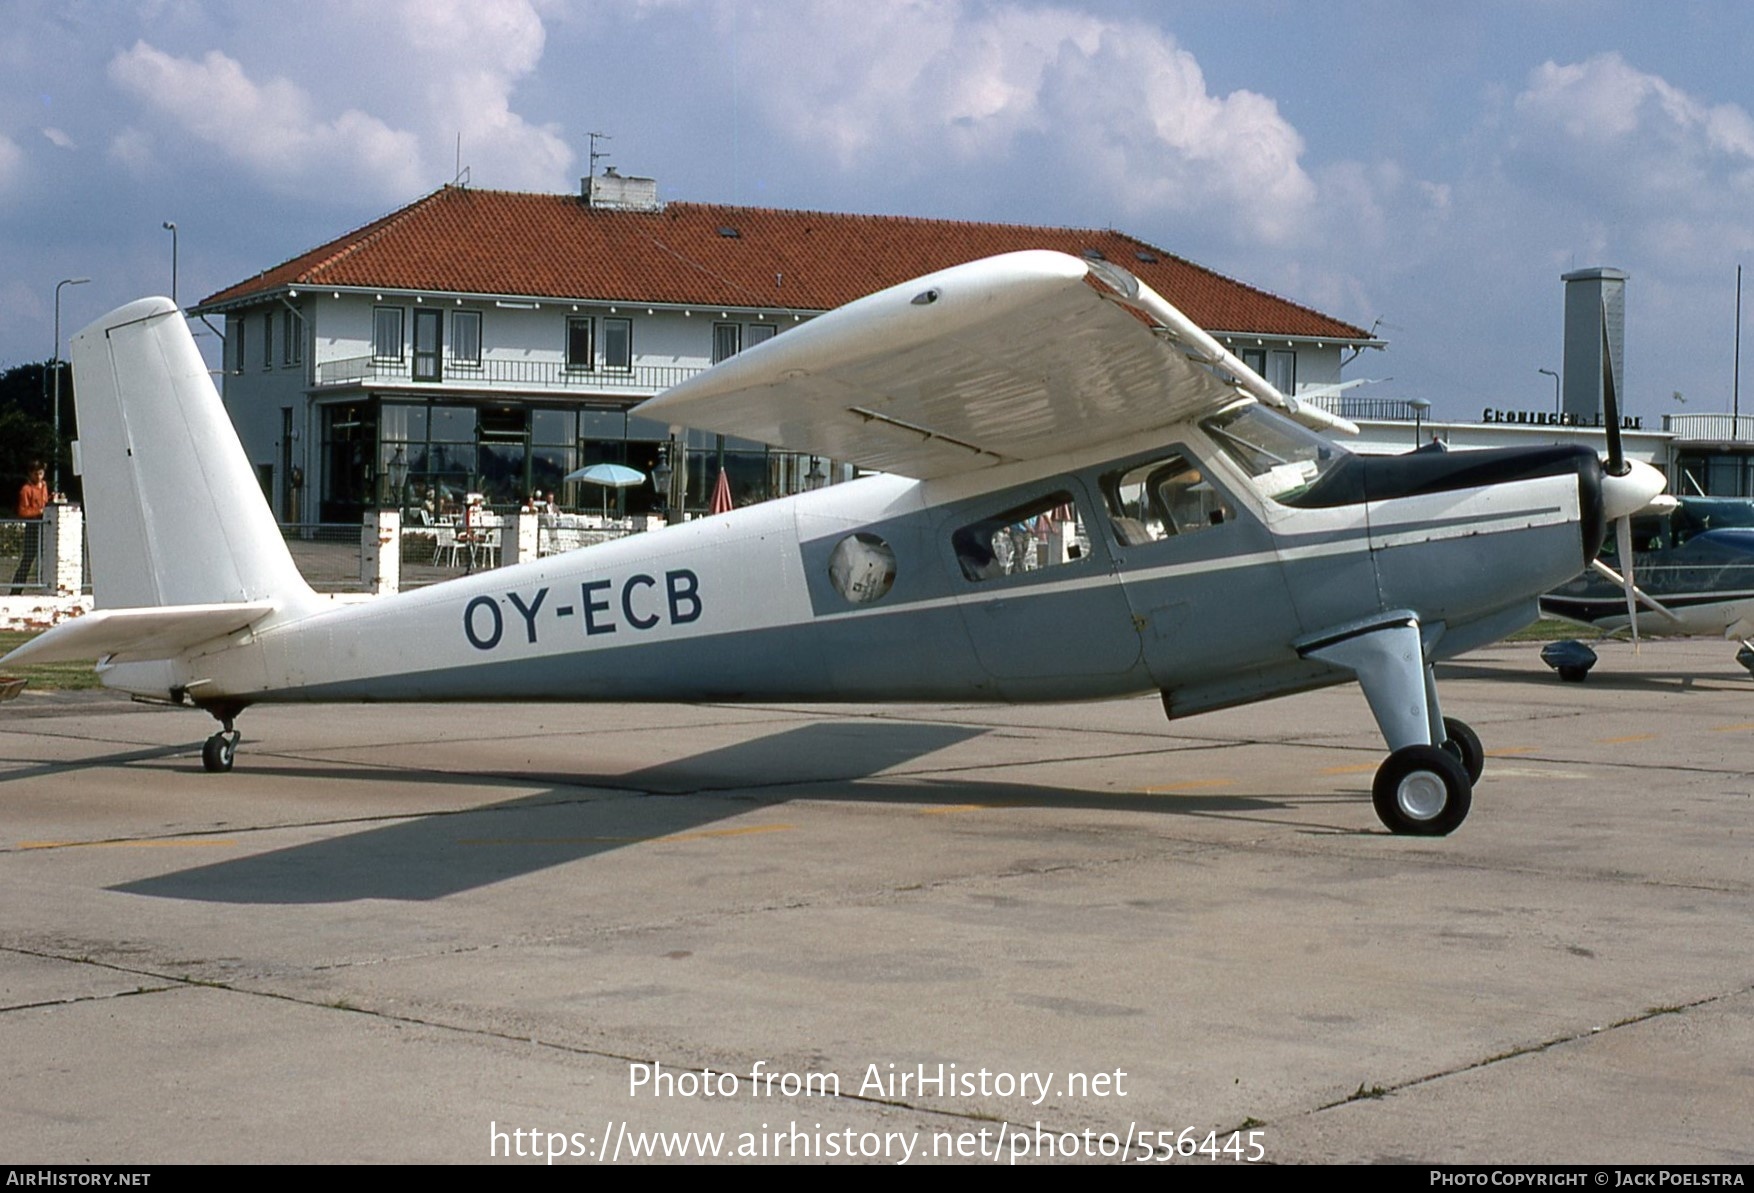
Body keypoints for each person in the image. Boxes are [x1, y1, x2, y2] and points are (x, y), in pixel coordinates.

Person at [9, 461, 49, 594]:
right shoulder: (26, 489)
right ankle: (16, 590)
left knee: (47, 558)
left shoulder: (44, 486)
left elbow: (44, 502)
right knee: (27, 559)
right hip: (33, 527)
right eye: (36, 474)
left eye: (41, 473)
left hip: (44, 527)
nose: (38, 477)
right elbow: (22, 512)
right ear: (30, 474)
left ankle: (47, 587)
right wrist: (40, 511)